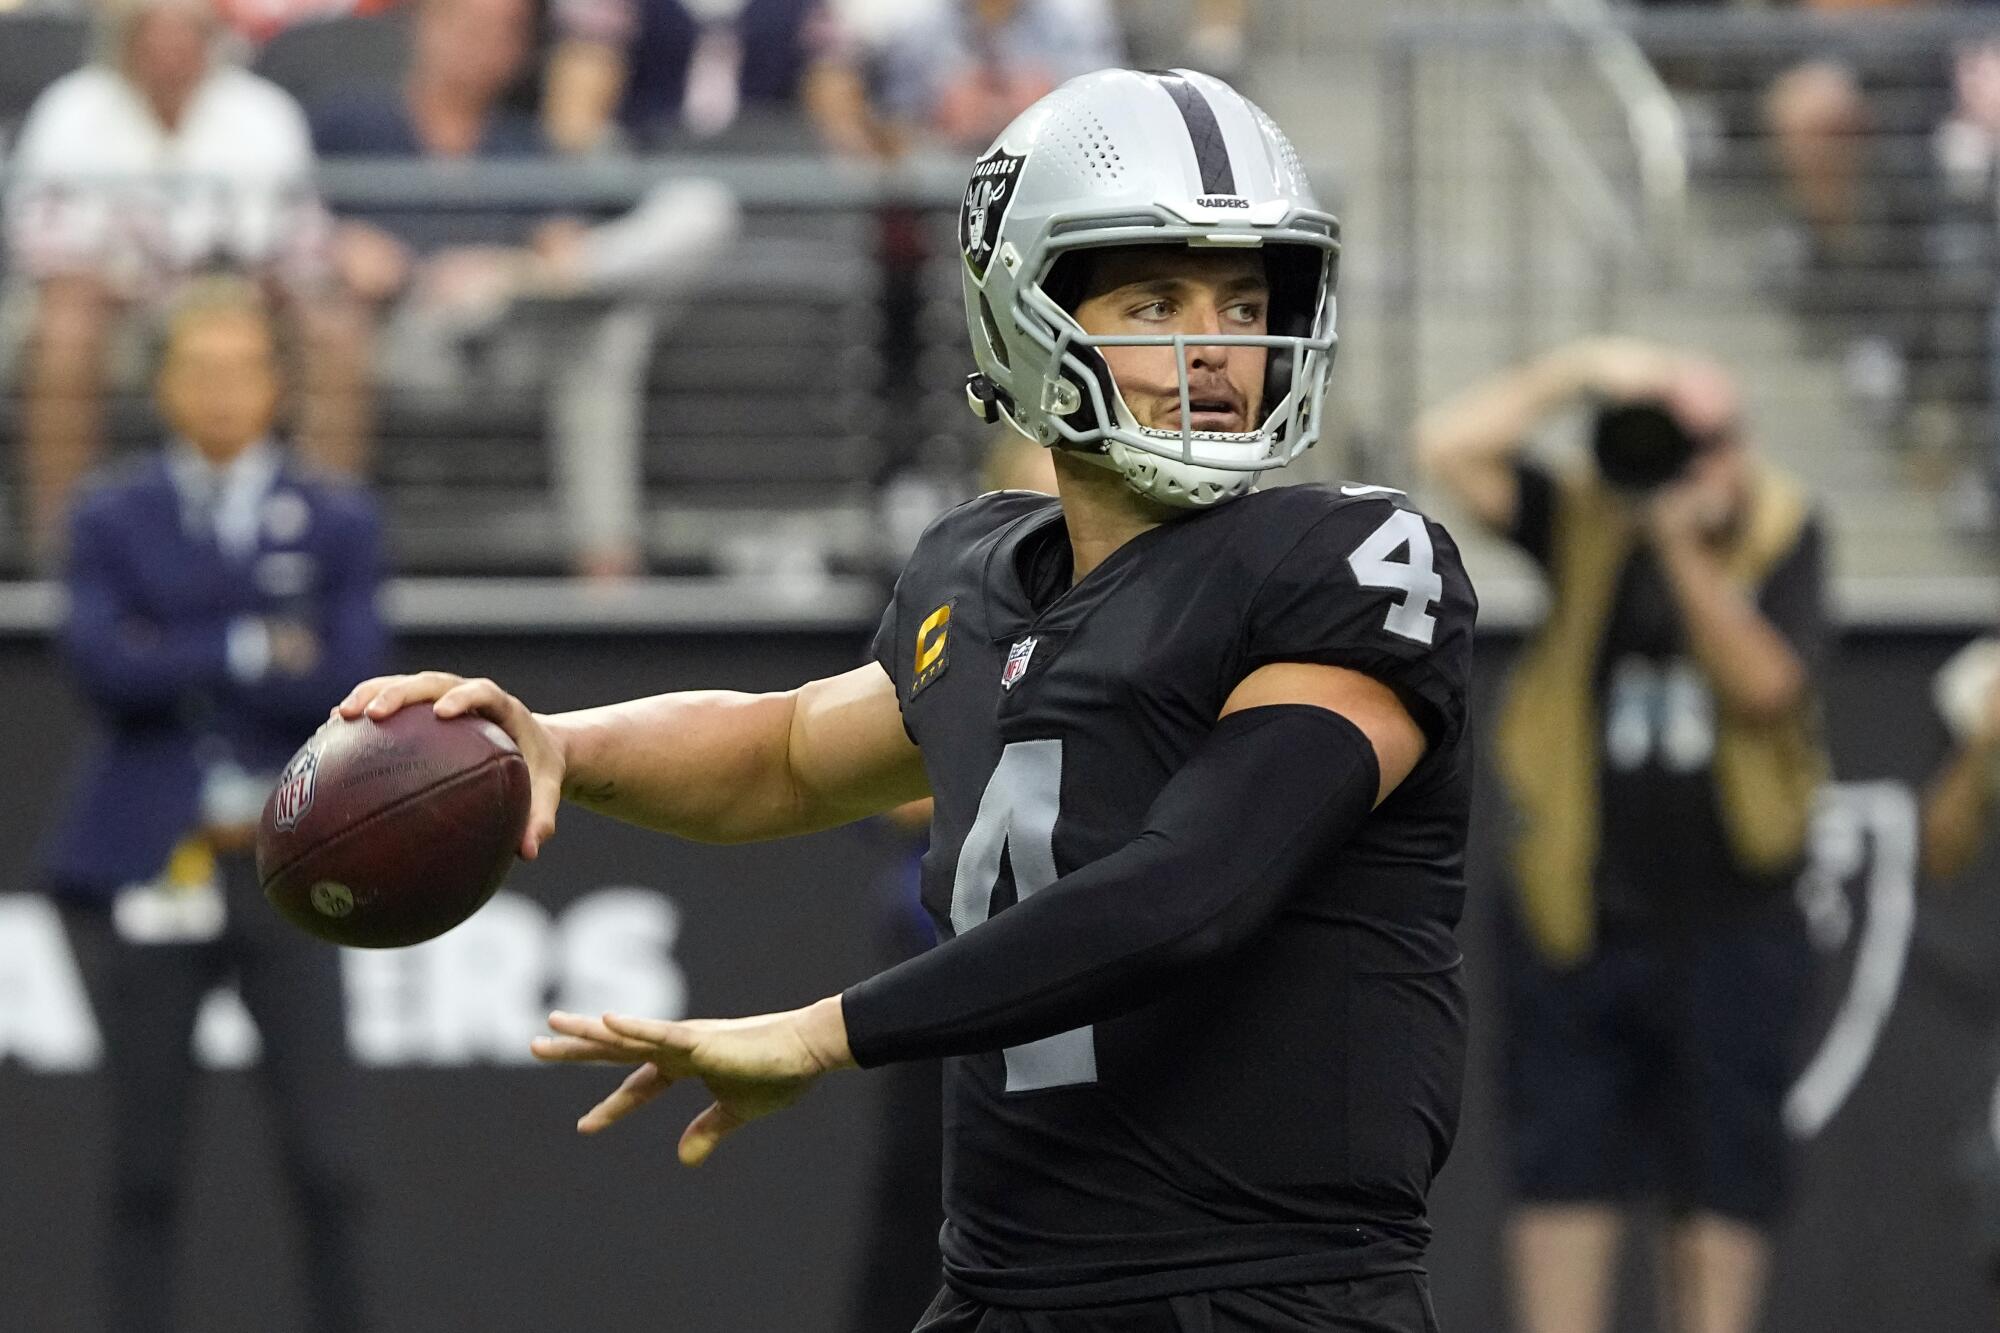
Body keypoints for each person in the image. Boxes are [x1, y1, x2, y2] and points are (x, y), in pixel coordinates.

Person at [339, 68, 1476, 1332]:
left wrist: (827, 1031)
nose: (1215, 345)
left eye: (1246, 301)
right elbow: (782, 752)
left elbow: (1189, 888)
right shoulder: (978, 575)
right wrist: (557, 743)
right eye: (1155, 300)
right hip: (1006, 1287)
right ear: (1024, 315)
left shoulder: (1349, 561)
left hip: (1266, 1295)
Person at [1417, 337, 1830, 1333]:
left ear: (1743, 444)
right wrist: (1580, 373)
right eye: (1667, 439)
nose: (1688, 464)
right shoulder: (1589, 520)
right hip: (1576, 916)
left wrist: (1682, 545)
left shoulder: (1783, 531)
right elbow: (1444, 447)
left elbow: (1765, 684)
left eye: (1707, 441)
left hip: (1731, 922)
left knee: (1719, 1190)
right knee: (1562, 1178)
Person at [40, 277, 388, 1333]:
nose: (224, 391)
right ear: (163, 387)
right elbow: (102, 665)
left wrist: (175, 643)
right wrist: (249, 640)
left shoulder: (336, 517)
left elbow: (349, 678)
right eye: (201, 368)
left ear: (278, 385)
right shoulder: (109, 513)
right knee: (145, 1159)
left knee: (329, 1157)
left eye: (244, 368)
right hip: (152, 863)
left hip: (293, 872)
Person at [2, 0, 369, 563]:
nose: (170, 47)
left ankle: (325, 548)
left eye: (186, 31)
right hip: (116, 309)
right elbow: (39, 241)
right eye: (154, 30)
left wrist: (261, 281)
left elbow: (303, 238)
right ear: (124, 37)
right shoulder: (73, 109)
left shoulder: (261, 113)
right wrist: (116, 279)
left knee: (334, 330)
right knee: (62, 332)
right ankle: (65, 555)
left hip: (241, 303)